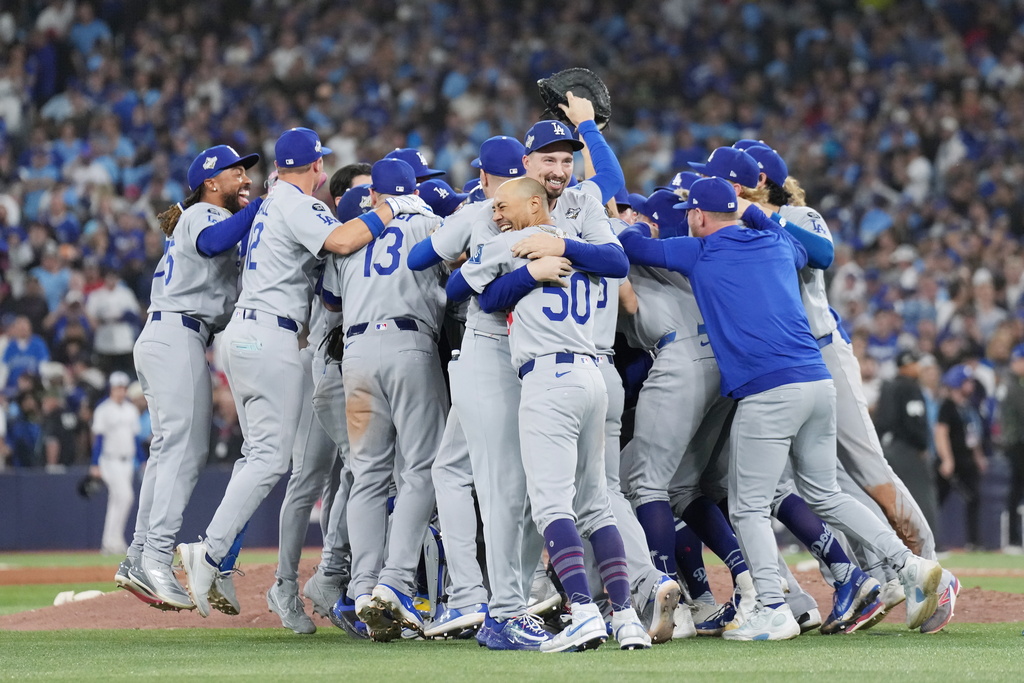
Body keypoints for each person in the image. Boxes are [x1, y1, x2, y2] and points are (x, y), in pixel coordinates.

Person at [617, 177, 951, 640]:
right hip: (817, 382)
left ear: (696, 216)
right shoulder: (776, 241)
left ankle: (771, 607)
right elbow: (804, 248)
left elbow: (634, 247)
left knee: (749, 507)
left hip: (768, 390)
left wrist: (621, 221)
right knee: (826, 493)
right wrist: (753, 214)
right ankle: (907, 565)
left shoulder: (700, 252)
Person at [178, 127, 434, 618]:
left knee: (261, 455)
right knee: (274, 461)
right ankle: (209, 551)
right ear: (316, 167)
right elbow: (340, 240)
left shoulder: (273, 203)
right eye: (321, 164)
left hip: (247, 333)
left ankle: (223, 557)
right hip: (270, 333)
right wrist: (393, 208)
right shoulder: (296, 202)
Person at [451, 176, 645, 652]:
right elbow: (617, 261)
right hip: (594, 374)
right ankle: (625, 618)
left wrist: (525, 268)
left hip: (549, 379)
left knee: (552, 505)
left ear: (535, 205)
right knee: (596, 504)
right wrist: (540, 265)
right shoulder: (587, 246)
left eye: (503, 205)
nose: (495, 214)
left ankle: (581, 610)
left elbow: (467, 292)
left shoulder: (517, 240)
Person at [115, 144, 263, 612]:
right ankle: (156, 555)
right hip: (176, 334)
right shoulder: (203, 214)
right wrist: (264, 205)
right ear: (210, 182)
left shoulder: (207, 215)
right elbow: (213, 243)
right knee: (186, 450)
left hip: (171, 336)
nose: (246, 179)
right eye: (237, 172)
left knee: (167, 450)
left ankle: (140, 554)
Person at [319, 158, 448, 641]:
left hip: (355, 355)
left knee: (366, 474)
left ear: (375, 195)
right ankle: (394, 582)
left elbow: (330, 300)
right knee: (419, 469)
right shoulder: (432, 223)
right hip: (409, 345)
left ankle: (359, 588)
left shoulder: (354, 232)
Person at [876, 349, 939, 533]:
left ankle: (893, 541)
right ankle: (928, 542)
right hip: (907, 450)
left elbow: (880, 421)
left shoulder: (888, 386)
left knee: (892, 498)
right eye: (916, 364)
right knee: (921, 494)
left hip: (887, 448)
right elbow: (914, 421)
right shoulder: (910, 387)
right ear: (908, 365)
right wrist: (922, 445)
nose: (919, 368)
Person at [934, 364, 987, 550]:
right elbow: (941, 433)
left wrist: (978, 456)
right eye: (967, 382)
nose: (971, 385)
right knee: (937, 499)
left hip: (967, 460)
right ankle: (931, 541)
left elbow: (972, 434)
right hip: (953, 460)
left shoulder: (968, 407)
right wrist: (947, 459)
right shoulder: (947, 406)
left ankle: (974, 542)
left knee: (974, 499)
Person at [91, 371, 142, 556]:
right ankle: (115, 540)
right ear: (111, 389)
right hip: (109, 460)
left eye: (123, 388)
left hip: (127, 461)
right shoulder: (103, 409)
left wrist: (142, 459)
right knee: (126, 497)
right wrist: (94, 464)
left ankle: (110, 542)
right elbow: (98, 439)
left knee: (117, 500)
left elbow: (135, 438)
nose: (120, 391)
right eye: (117, 388)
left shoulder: (131, 409)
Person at [1000, 344, 1024, 551]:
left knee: (1016, 492)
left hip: (1015, 442)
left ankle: (1015, 539)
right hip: (1017, 443)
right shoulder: (1013, 384)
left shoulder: (1014, 383)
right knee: (1015, 492)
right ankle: (1014, 539)